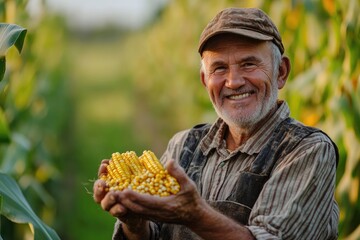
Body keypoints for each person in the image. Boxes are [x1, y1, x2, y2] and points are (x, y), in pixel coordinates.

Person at [93, 7, 339, 240]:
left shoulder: (307, 151)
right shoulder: (183, 146)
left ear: (281, 72)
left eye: (248, 64)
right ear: (204, 80)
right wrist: (135, 223)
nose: (233, 82)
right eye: (219, 68)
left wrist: (195, 215)